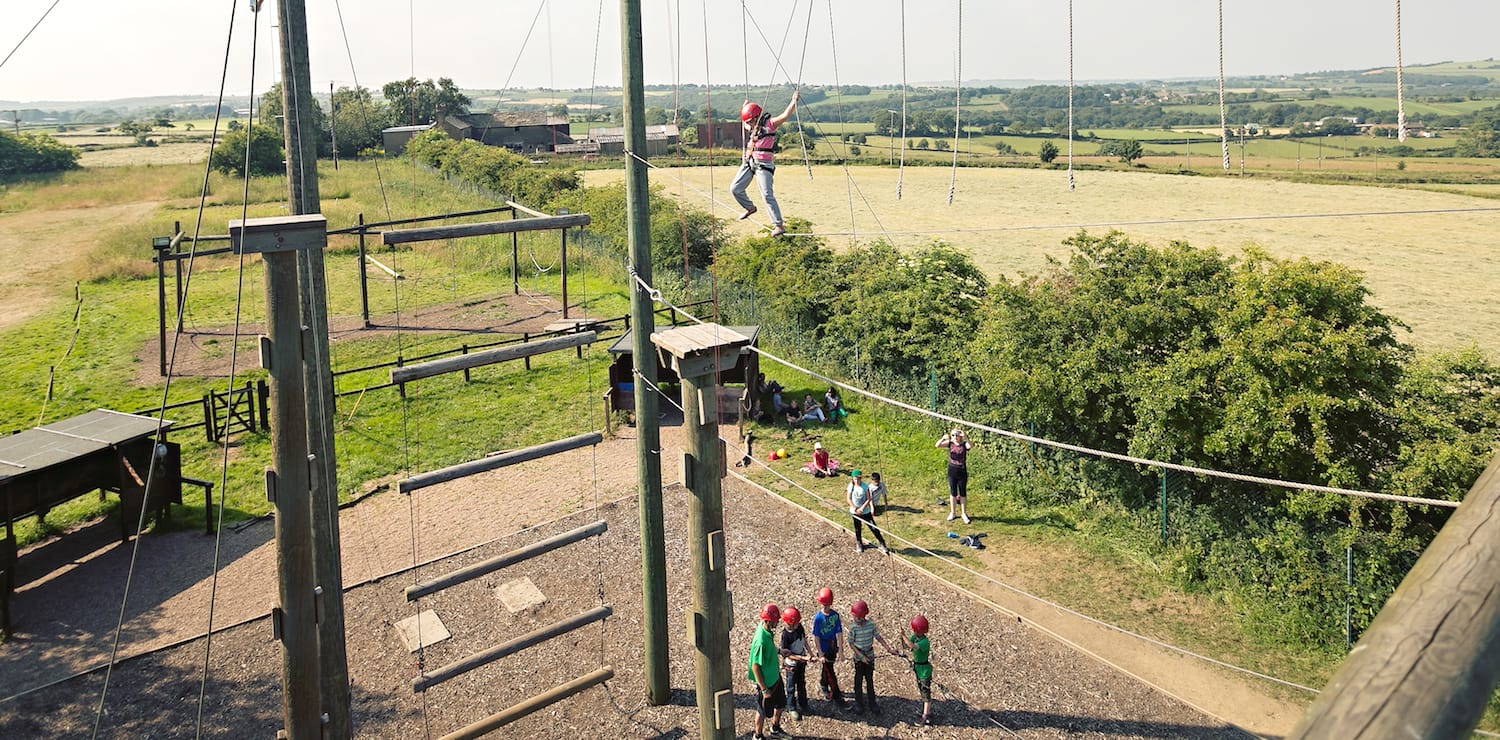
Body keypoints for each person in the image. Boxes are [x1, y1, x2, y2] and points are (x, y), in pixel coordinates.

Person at [731, 91, 801, 237]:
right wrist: (744, 107)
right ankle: (750, 208)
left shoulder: (770, 124)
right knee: (735, 188)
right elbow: (744, 122)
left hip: (763, 164)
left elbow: (785, 115)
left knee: (767, 194)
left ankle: (778, 225)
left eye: (751, 121)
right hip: (749, 161)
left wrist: (794, 101)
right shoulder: (751, 126)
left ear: (757, 117)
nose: (749, 124)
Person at [845, 599, 902, 715]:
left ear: (862, 616)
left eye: (857, 617)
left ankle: (872, 702)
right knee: (858, 680)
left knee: (869, 680)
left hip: (870, 656)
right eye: (854, 616)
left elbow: (879, 638)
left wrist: (889, 649)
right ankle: (858, 702)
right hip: (859, 658)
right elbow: (851, 643)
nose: (855, 619)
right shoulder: (853, 627)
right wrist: (861, 656)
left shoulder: (871, 625)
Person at [749, 603, 788, 739]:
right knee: (762, 710)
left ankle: (775, 728)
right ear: (768, 620)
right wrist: (764, 690)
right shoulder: (761, 641)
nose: (777, 623)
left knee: (781, 703)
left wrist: (779, 651)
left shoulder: (766, 630)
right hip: (766, 683)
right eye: (775, 621)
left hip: (775, 678)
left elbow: (767, 651)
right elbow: (755, 666)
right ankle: (758, 736)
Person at [810, 587, 848, 708]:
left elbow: (840, 633)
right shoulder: (818, 618)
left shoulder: (835, 616)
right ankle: (836, 695)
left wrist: (841, 651)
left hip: (832, 647)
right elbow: (816, 637)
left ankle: (823, 683)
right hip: (824, 648)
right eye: (823, 605)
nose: (825, 607)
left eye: (827, 605)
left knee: (828, 667)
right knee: (830, 672)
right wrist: (820, 654)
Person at [779, 606, 816, 720]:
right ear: (790, 623)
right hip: (791, 664)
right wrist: (804, 658)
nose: (798, 624)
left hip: (801, 661)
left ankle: (804, 704)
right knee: (790, 687)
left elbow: (804, 640)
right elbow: (787, 654)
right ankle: (791, 707)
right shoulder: (785, 635)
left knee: (801, 684)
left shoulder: (799, 628)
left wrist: (810, 653)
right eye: (796, 623)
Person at [901, 614, 935, 725]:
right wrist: (903, 638)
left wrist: (904, 637)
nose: (914, 631)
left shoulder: (925, 642)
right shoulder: (915, 637)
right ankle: (926, 711)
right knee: (921, 690)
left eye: (915, 629)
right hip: (918, 668)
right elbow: (907, 646)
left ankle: (926, 715)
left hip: (924, 670)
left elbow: (912, 646)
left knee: (926, 692)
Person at [847, 470, 889, 555]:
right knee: (857, 528)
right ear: (852, 478)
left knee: (873, 527)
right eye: (855, 479)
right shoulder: (851, 486)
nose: (857, 480)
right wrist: (855, 508)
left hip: (865, 511)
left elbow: (868, 498)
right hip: (855, 512)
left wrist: (862, 508)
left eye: (859, 479)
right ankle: (859, 543)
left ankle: (882, 543)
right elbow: (848, 499)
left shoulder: (865, 486)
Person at [936, 428, 973, 524]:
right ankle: (952, 512)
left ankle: (963, 513)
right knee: (953, 492)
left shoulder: (964, 444)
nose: (955, 437)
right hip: (952, 471)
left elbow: (971, 446)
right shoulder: (950, 443)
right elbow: (937, 445)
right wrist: (943, 438)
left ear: (960, 435)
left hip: (962, 471)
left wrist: (966, 437)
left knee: (963, 493)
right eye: (953, 435)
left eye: (956, 435)